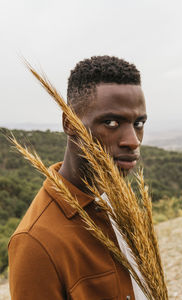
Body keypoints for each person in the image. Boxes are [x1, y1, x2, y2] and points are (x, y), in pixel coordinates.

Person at [8, 56, 147, 300]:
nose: (133, 140)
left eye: (138, 123)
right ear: (69, 122)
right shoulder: (35, 242)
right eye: (111, 122)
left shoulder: (124, 204)